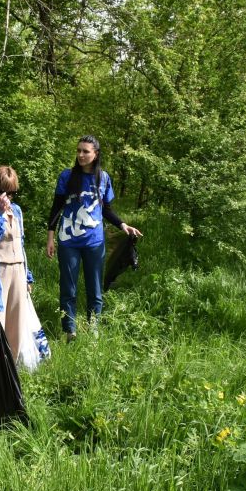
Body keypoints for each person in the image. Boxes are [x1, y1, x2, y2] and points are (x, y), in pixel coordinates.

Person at [45, 135, 142, 340]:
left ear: (95, 154)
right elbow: (56, 208)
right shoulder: (67, 176)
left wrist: (123, 225)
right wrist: (50, 238)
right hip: (68, 239)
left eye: (85, 151)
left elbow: (106, 209)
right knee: (68, 287)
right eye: (78, 150)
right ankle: (69, 330)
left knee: (94, 288)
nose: (80, 155)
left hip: (94, 241)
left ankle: (93, 328)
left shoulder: (104, 178)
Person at [0, 165, 36, 361]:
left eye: (11, 193)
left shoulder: (16, 210)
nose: (5, 197)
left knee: (17, 323)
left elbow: (20, 243)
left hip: (18, 271)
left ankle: (11, 368)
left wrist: (27, 275)